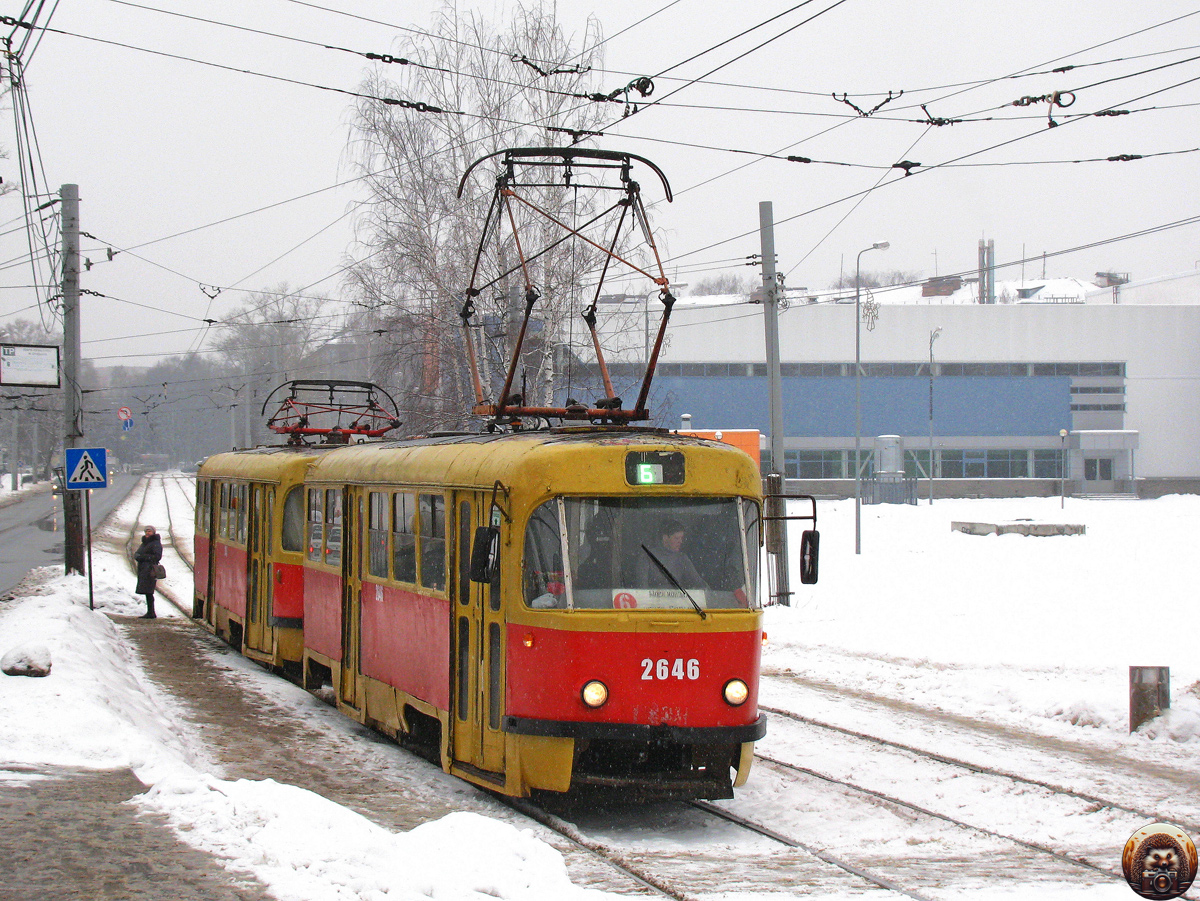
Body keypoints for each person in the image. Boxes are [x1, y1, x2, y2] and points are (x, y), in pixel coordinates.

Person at [636, 518, 706, 589]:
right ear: (665, 538)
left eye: (681, 538)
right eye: (676, 538)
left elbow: (699, 583)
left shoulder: (682, 558)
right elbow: (642, 588)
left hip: (678, 599)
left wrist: (710, 594)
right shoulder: (647, 557)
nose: (680, 541)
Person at [134, 525, 163, 619]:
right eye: (146, 531)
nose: (147, 533)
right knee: (147, 591)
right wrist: (138, 556)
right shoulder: (145, 543)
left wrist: (143, 557)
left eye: (149, 531)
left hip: (150, 570)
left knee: (149, 591)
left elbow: (157, 556)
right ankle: (150, 612)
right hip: (144, 569)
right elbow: (137, 553)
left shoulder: (155, 543)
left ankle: (151, 612)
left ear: (153, 532)